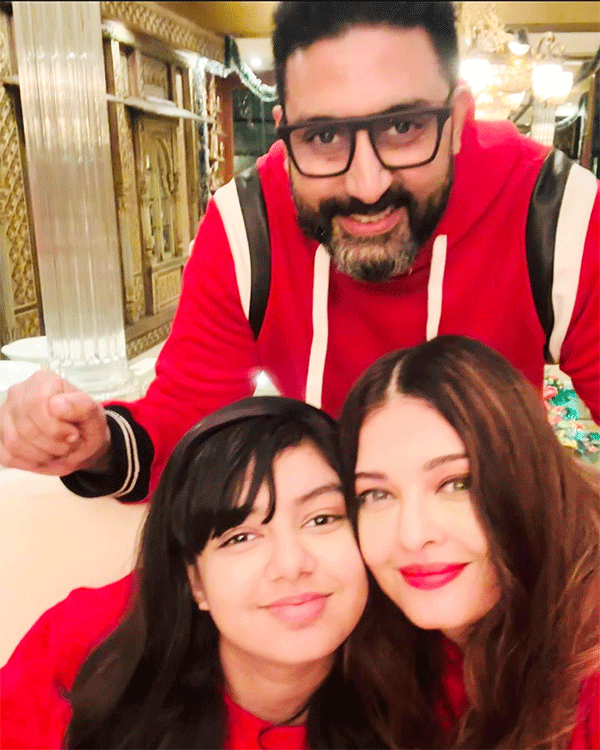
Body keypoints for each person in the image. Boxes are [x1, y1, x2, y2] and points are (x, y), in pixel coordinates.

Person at [0, 2, 598, 503]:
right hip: (328, 554)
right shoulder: (247, 227)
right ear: (285, 135)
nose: (367, 185)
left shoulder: (556, 216)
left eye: (404, 127)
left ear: (460, 118)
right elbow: (184, 427)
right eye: (324, 136)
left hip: (500, 544)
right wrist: (97, 444)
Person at [0, 396, 381, 749]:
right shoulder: (90, 639)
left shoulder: (412, 696)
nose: (292, 565)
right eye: (240, 537)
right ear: (194, 581)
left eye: (321, 519)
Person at [338, 335, 599, 749]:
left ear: (526, 480)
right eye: (376, 494)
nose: (412, 536)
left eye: (457, 483)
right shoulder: (395, 653)